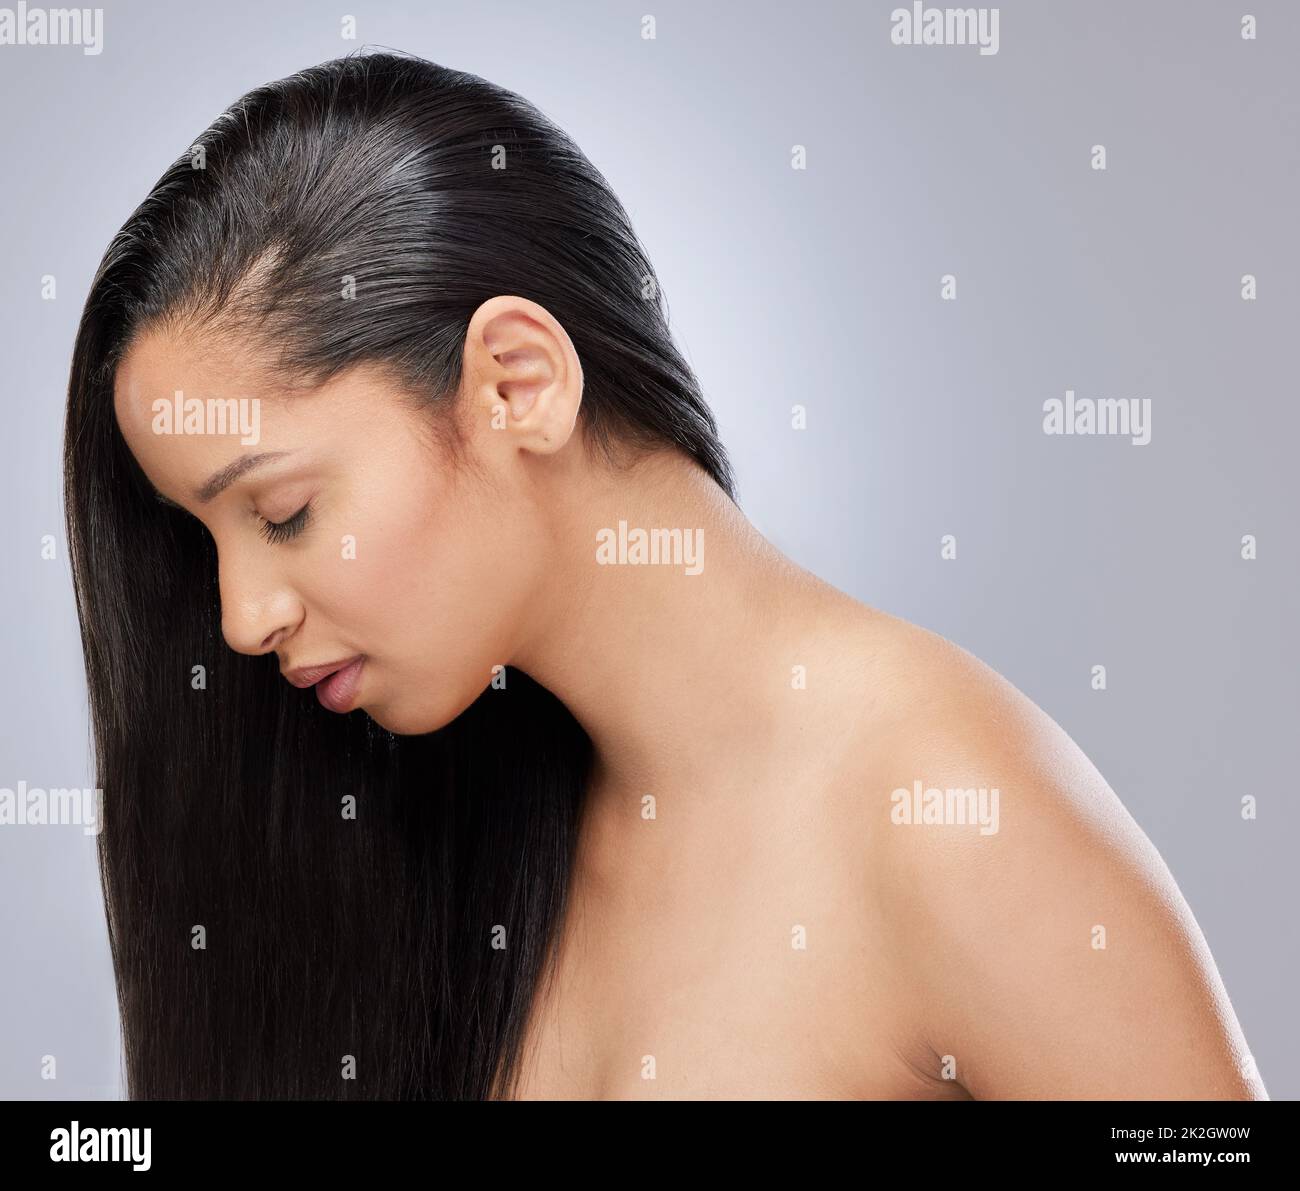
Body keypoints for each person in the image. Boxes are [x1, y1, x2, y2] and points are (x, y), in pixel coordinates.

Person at [66, 49, 1267, 1100]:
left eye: (280, 512)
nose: (238, 618)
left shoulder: (948, 819)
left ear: (515, 384)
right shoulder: (467, 824)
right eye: (205, 540)